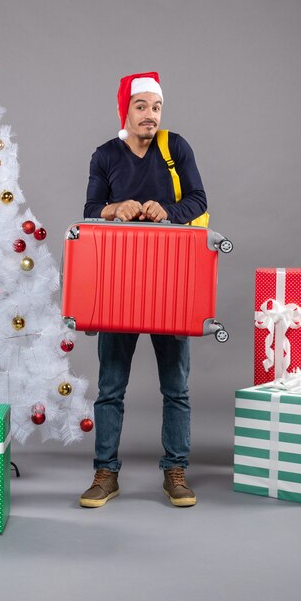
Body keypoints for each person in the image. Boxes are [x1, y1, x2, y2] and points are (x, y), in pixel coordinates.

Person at [80, 72, 207, 508]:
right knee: (110, 386)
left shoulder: (176, 148)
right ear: (126, 111)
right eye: (141, 106)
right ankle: (105, 473)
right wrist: (116, 209)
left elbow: (199, 200)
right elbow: (90, 211)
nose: (150, 115)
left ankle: (176, 470)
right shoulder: (105, 155)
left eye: (156, 107)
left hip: (170, 283)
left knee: (176, 386)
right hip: (118, 285)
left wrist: (167, 211)